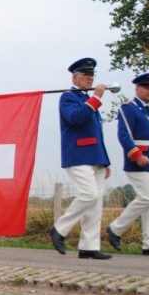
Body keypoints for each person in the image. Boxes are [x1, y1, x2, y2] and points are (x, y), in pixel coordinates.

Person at [49, 58, 112, 259]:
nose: (89, 78)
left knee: (95, 204)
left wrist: (105, 160)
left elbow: (97, 132)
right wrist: (95, 99)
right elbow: (76, 118)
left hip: (95, 156)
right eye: (85, 75)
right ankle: (60, 229)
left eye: (91, 75)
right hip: (77, 155)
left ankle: (89, 246)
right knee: (89, 194)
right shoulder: (68, 97)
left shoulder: (87, 100)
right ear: (75, 77)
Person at [106, 72, 149, 257]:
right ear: (138, 89)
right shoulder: (128, 108)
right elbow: (124, 135)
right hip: (138, 161)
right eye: (147, 88)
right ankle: (115, 229)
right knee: (146, 198)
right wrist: (137, 156)